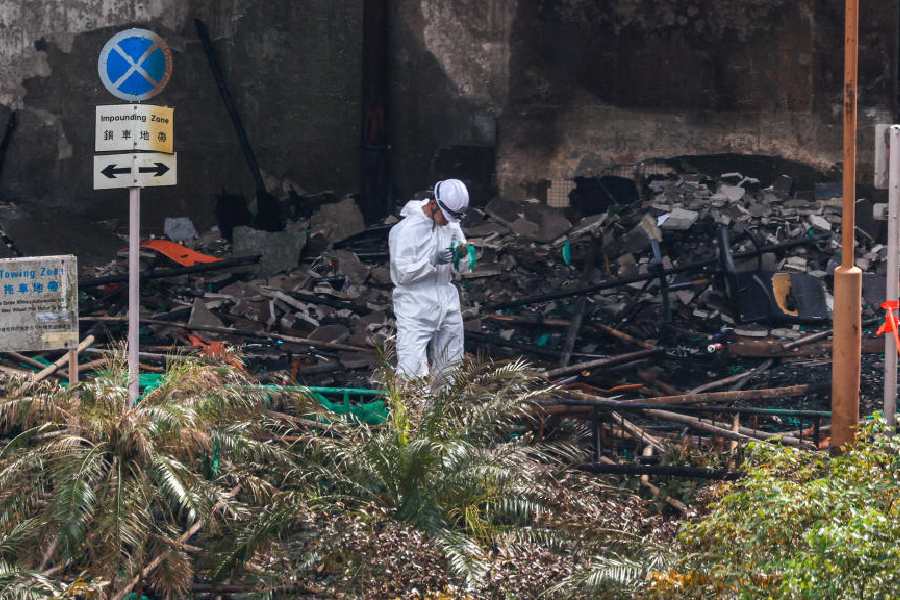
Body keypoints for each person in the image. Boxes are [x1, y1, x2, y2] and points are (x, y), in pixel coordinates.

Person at [389, 179, 470, 379]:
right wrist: (431, 261)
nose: (448, 222)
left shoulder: (451, 225)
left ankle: (445, 409)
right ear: (434, 203)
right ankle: (413, 410)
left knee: (451, 366)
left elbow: (463, 268)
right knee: (411, 370)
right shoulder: (405, 230)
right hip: (415, 305)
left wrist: (463, 257)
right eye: (446, 216)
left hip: (447, 299)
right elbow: (401, 274)